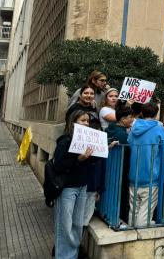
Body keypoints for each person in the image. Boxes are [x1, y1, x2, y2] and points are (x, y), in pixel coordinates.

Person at [52, 110, 96, 259]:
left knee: (77, 224)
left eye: (88, 121)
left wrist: (104, 148)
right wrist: (78, 159)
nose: (86, 123)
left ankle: (72, 255)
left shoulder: (88, 141)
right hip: (67, 188)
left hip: (82, 186)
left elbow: (92, 162)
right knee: (64, 225)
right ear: (73, 122)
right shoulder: (65, 141)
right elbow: (58, 165)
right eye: (83, 120)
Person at [127, 102, 164, 227]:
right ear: (156, 114)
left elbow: (129, 142)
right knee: (145, 211)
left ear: (142, 112)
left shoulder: (133, 128)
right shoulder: (159, 129)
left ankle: (131, 231)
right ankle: (139, 235)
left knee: (133, 209)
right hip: (151, 175)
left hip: (134, 174)